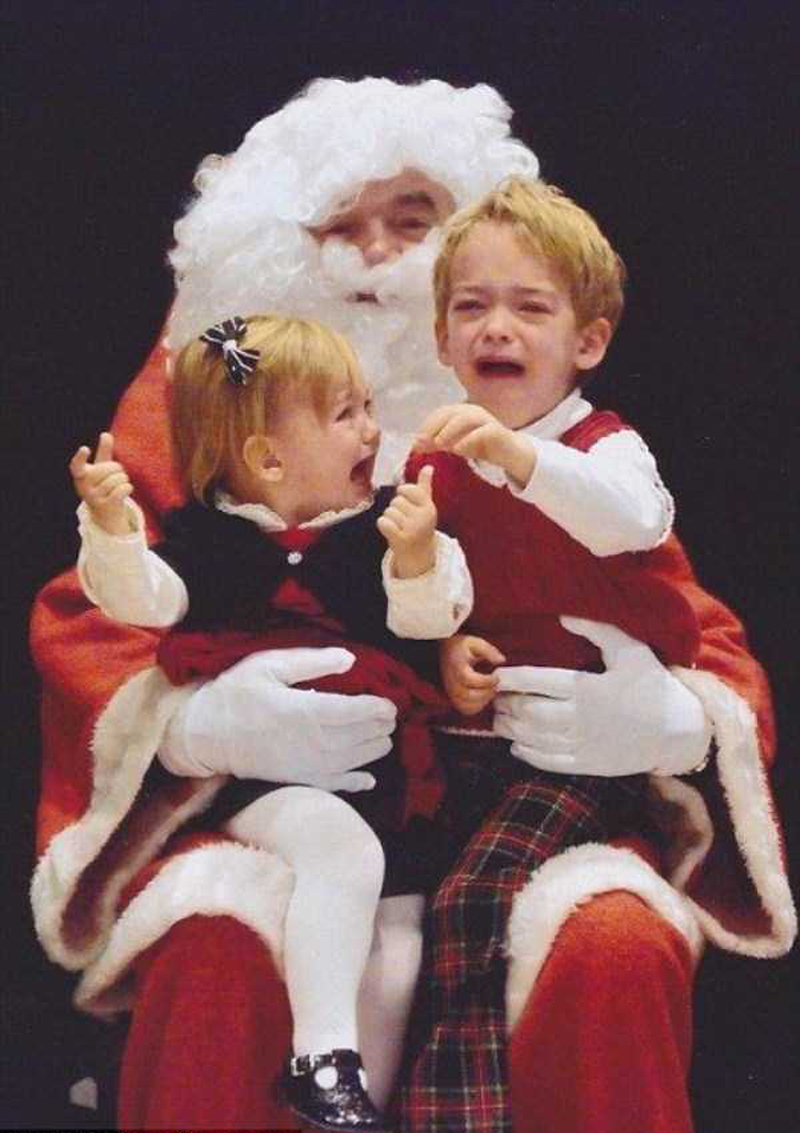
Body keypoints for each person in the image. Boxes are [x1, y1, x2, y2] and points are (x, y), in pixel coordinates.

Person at [30, 77, 793, 1133]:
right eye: (336, 225)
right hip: (292, 807)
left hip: (511, 792)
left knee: (608, 938)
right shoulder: (213, 387)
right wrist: (195, 725)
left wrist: (669, 717)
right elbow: (98, 609)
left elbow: (672, 599)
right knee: (216, 938)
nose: (373, 253)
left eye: (411, 220)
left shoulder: (531, 418)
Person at [70, 312, 473, 1131]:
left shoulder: (387, 522)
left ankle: (356, 1102)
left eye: (368, 404)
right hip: (271, 781)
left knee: (397, 936)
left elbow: (435, 617)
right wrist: (113, 532)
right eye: (346, 414)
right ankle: (321, 1056)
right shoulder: (210, 540)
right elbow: (140, 597)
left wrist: (420, 557)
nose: (373, 428)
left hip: (392, 782)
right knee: (338, 847)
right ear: (267, 457)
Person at [397, 174, 743, 1126]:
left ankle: (459, 1108)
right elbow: (431, 604)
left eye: (528, 307)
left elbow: (630, 521)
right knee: (388, 897)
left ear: (586, 342)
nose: (495, 328)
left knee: (476, 898)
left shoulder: (604, 445)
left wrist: (520, 460)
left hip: (586, 754)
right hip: (472, 747)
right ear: (441, 339)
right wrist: (444, 643)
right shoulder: (432, 459)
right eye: (471, 306)